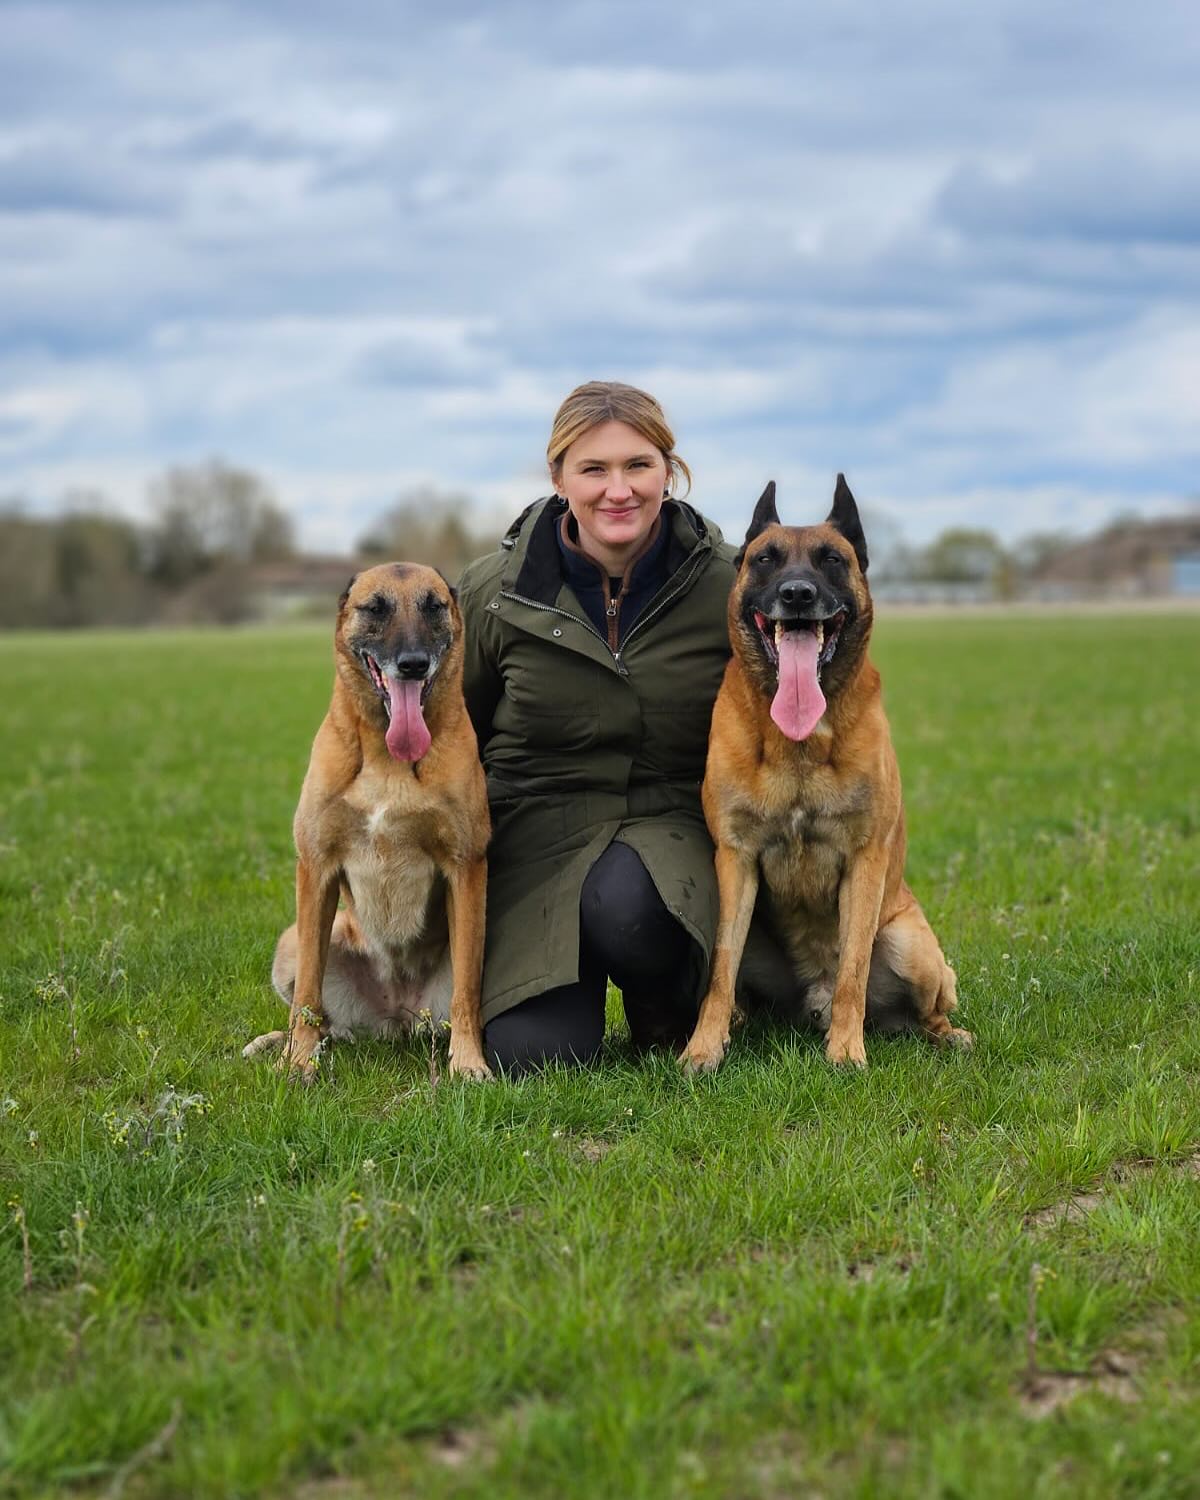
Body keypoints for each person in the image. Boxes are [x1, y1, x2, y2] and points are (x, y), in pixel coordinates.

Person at [458, 381, 738, 1074]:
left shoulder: (731, 587)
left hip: (673, 827)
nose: (619, 490)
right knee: (534, 1057)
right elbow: (450, 736)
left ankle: (663, 999)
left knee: (625, 904)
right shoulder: (491, 593)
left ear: (669, 471)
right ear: (558, 478)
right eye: (594, 469)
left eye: (638, 465)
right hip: (534, 839)